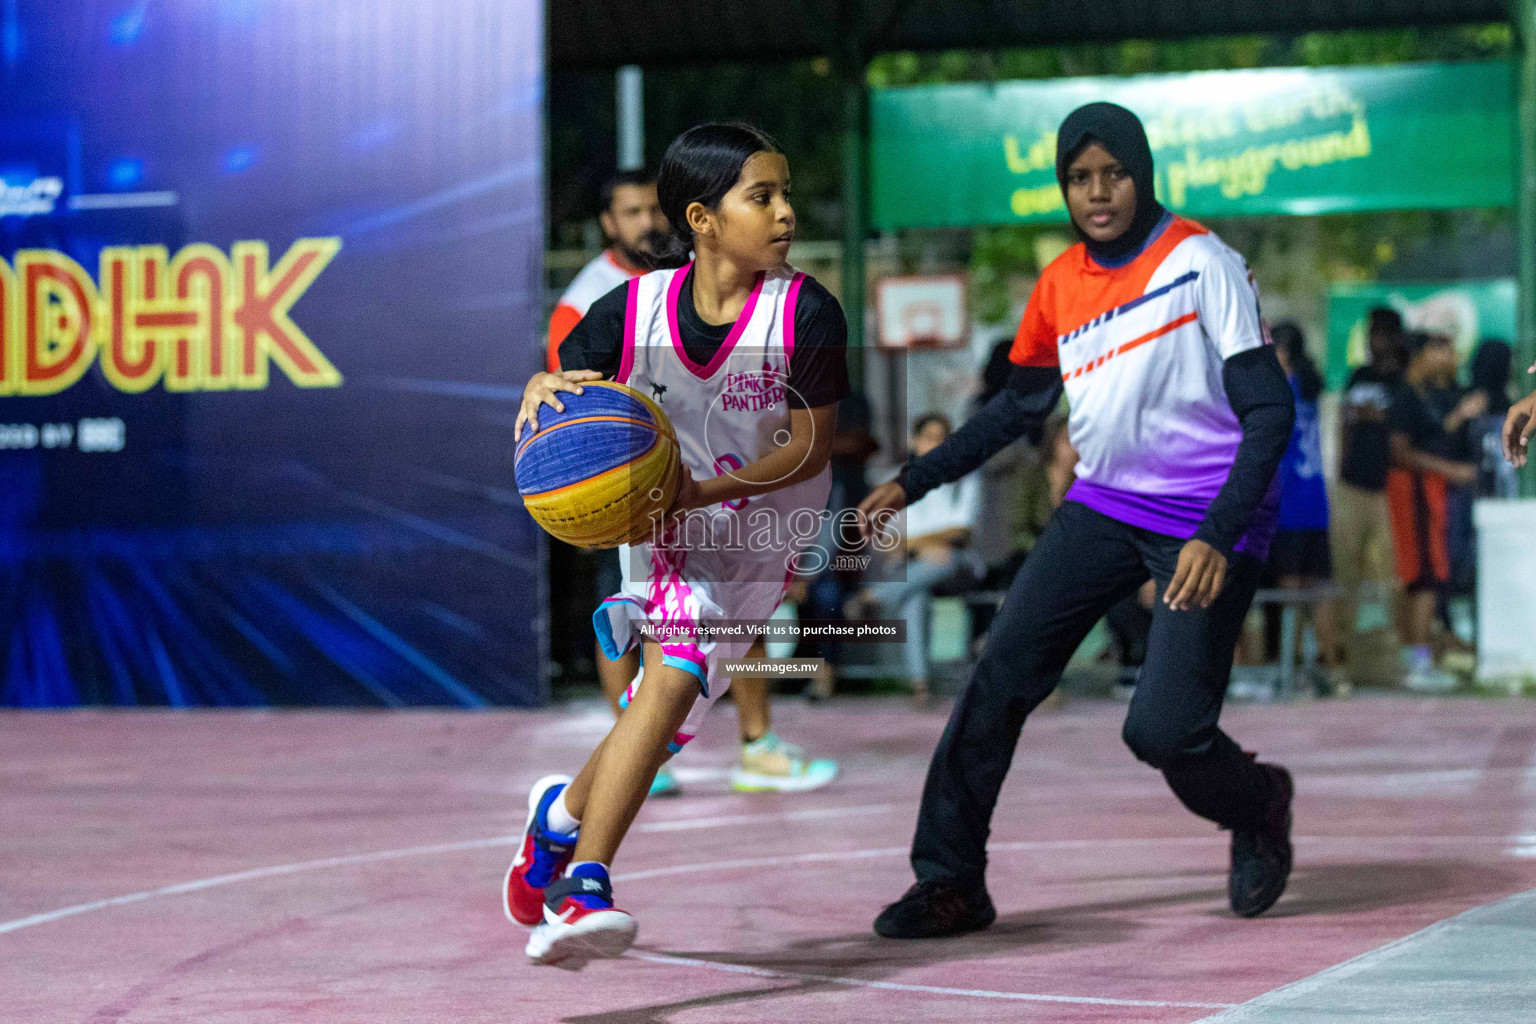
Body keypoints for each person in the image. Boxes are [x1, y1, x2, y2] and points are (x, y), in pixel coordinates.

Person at [859, 102, 1297, 938]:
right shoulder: (1060, 283)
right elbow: (1016, 408)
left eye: (1114, 174)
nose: (1097, 193)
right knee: (997, 679)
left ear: (1143, 174)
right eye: (1079, 178)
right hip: (1102, 503)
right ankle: (950, 880)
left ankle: (1259, 800)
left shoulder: (1201, 262)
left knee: (1164, 731)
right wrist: (915, 479)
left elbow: (1270, 412)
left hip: (1209, 514)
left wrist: (1215, 532)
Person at [506, 123, 849, 967]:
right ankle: (585, 888)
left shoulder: (806, 310)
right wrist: (542, 383)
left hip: (761, 530)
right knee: (676, 671)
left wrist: (710, 491)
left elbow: (807, 449)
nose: (784, 213)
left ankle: (556, 817)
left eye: (784, 194)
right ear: (701, 217)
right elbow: (566, 374)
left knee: (667, 714)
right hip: (671, 527)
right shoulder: (634, 310)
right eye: (760, 197)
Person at [549, 171, 836, 798]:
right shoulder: (595, 298)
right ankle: (639, 752)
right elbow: (572, 399)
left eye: (653, 209)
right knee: (627, 618)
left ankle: (755, 745)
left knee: (747, 618)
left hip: (716, 484)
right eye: (630, 212)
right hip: (634, 497)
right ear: (607, 224)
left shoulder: (729, 288)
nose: (646, 222)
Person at [860, 414, 982, 703]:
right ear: (915, 440)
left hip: (958, 564)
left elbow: (962, 531)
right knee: (916, 596)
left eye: (942, 437)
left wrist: (914, 544)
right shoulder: (894, 480)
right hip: (917, 567)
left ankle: (875, 596)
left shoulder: (964, 477)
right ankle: (921, 685)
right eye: (929, 436)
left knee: (944, 558)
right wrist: (924, 546)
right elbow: (885, 538)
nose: (935, 444)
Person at [1387, 331, 1478, 691]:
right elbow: (1399, 452)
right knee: (1424, 575)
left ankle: (1419, 659)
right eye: (1441, 349)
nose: (1449, 356)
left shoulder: (1430, 394)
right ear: (1421, 355)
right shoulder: (1405, 396)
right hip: (1415, 490)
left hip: (1432, 491)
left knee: (1429, 573)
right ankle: (1418, 663)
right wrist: (1449, 470)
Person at [1269, 322, 1343, 694]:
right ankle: (1329, 668)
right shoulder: (1312, 387)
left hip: (1289, 507)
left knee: (1292, 594)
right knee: (1320, 590)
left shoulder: (1280, 390)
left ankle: (1293, 667)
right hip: (1316, 503)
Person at [1334, 307, 1406, 682]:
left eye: (1379, 333)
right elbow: (1343, 422)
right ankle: (1344, 663)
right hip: (1350, 487)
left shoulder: (1403, 380)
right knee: (1346, 576)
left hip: (1385, 491)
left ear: (1393, 336)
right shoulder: (1357, 376)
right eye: (1370, 333)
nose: (1373, 341)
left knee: (1385, 581)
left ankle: (1384, 666)